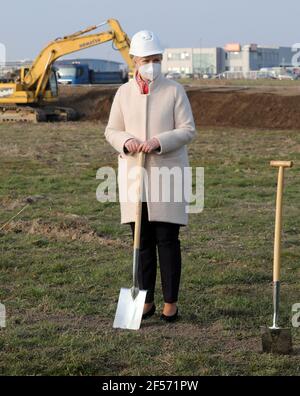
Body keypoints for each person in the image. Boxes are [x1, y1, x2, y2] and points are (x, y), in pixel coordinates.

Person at [105, 30, 196, 322]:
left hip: (167, 172)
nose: (152, 65)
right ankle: (144, 300)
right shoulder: (122, 93)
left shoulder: (173, 90)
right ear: (134, 61)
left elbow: (187, 130)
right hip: (134, 174)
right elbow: (111, 130)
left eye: (157, 59)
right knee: (140, 240)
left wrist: (159, 141)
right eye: (147, 60)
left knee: (167, 239)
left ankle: (171, 303)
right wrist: (125, 142)